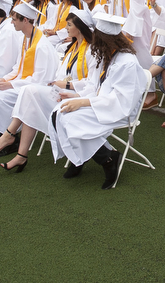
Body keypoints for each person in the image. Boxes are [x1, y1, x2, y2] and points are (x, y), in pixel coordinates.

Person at [0, 9, 95, 172]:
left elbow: (92, 82)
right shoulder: (72, 47)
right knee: (30, 97)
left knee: (29, 93)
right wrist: (61, 82)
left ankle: (10, 136)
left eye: (69, 25)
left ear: (80, 27)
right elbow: (65, 73)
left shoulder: (91, 50)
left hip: (76, 95)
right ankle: (19, 153)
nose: (66, 28)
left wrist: (67, 85)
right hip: (60, 89)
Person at [48, 13, 145, 189]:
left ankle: (107, 159)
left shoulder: (127, 62)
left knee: (71, 119)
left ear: (106, 40)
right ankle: (82, 157)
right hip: (99, 102)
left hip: (118, 109)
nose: (95, 43)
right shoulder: (107, 55)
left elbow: (121, 100)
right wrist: (77, 96)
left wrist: (84, 103)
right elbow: (93, 84)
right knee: (59, 112)